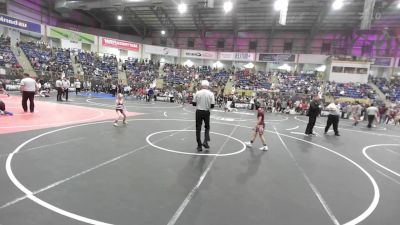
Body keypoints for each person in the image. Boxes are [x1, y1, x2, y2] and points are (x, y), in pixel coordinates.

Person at [192, 80, 215, 152]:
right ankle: (205, 141)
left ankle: (199, 145)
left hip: (198, 111)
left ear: (201, 85)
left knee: (198, 128)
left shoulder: (197, 93)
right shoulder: (211, 94)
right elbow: (212, 105)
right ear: (208, 86)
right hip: (206, 112)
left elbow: (194, 103)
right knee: (207, 127)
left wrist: (199, 103)